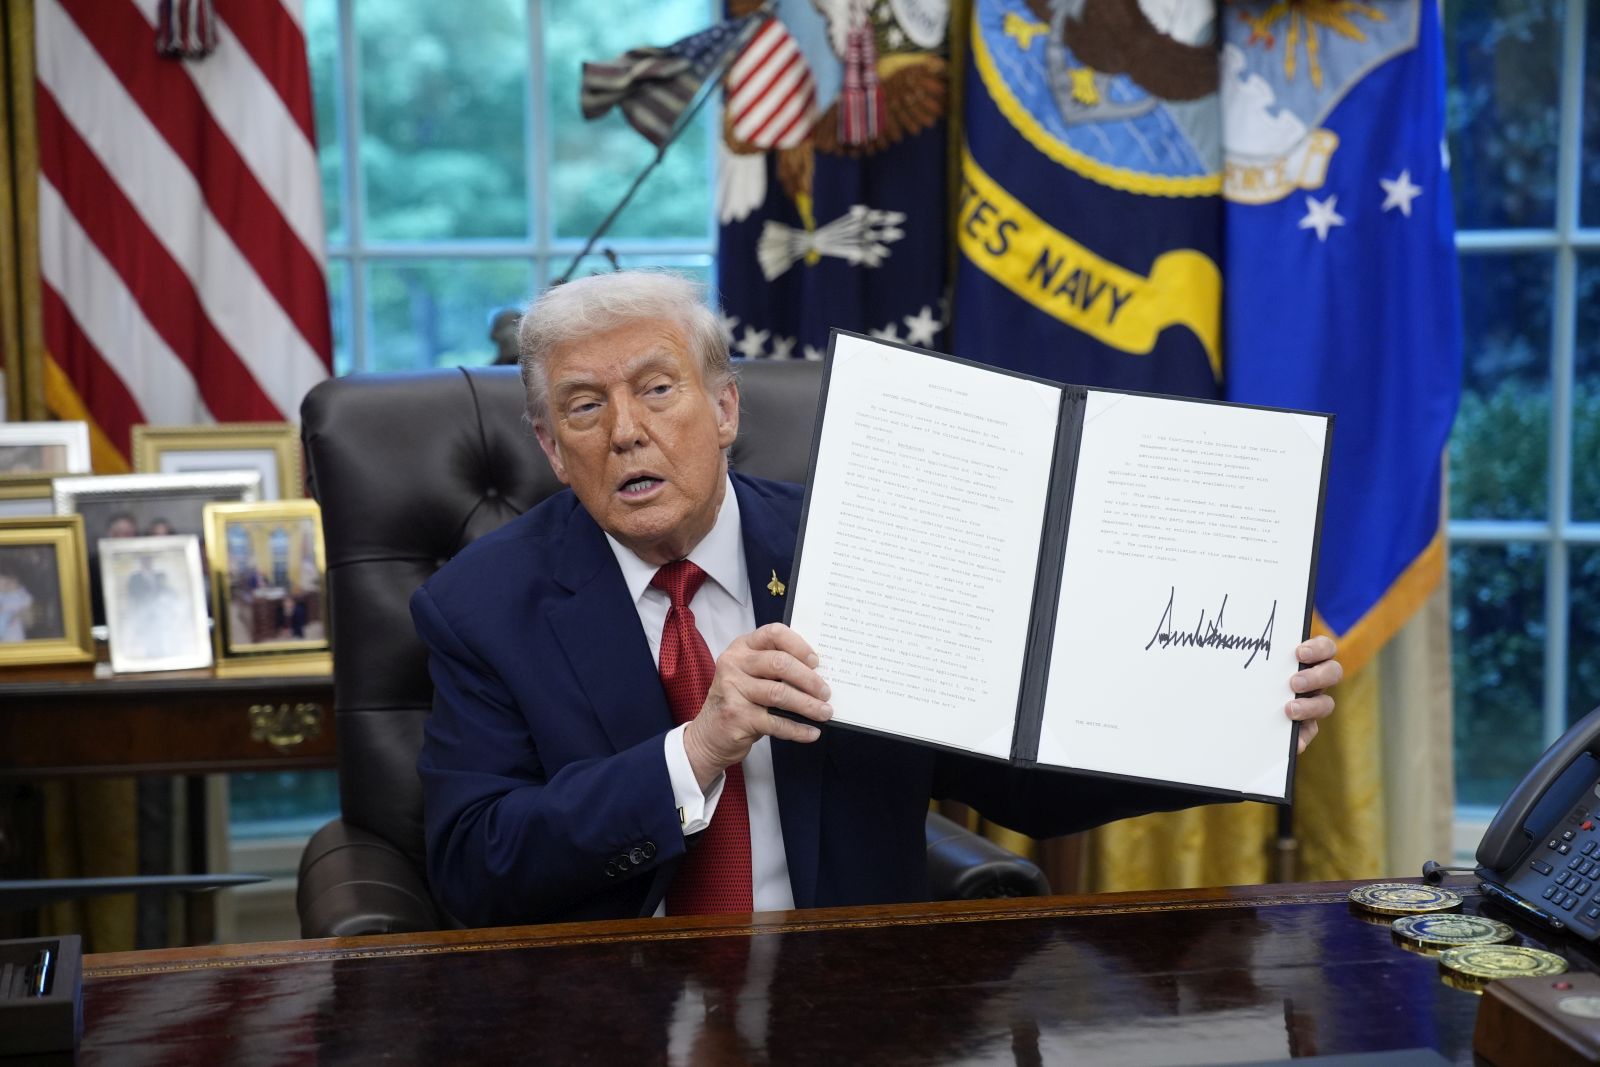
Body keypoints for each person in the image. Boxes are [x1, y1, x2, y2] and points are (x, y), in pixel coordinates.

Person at [413, 271, 1343, 929]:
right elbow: (474, 864)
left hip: (850, 994)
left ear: (726, 408)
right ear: (547, 444)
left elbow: (1019, 776)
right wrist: (695, 751)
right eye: (585, 407)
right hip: (611, 1001)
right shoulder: (483, 606)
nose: (627, 432)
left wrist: (1229, 722)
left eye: (659, 389)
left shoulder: (862, 549)